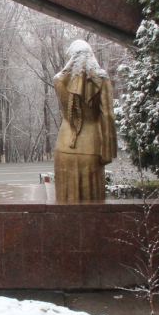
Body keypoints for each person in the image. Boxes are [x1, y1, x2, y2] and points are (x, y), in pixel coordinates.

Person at [53, 40, 117, 201]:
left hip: (64, 145)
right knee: (93, 202)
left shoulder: (58, 80)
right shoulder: (102, 79)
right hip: (92, 146)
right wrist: (108, 152)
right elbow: (108, 116)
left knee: (64, 199)